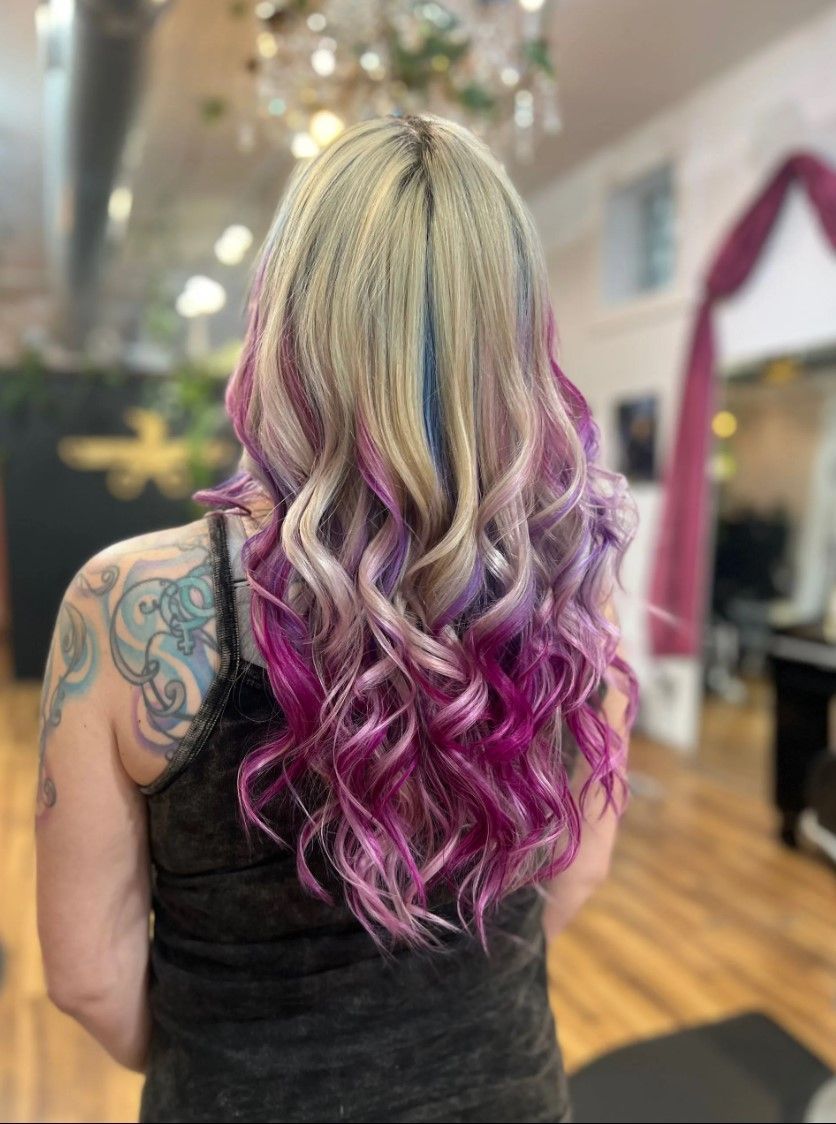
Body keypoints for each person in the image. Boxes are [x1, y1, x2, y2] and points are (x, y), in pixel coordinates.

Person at [36, 113, 637, 1124]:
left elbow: (87, 977)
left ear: (283, 319)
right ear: (517, 337)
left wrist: (234, 1048)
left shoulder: (127, 606)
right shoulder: (574, 579)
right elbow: (578, 873)